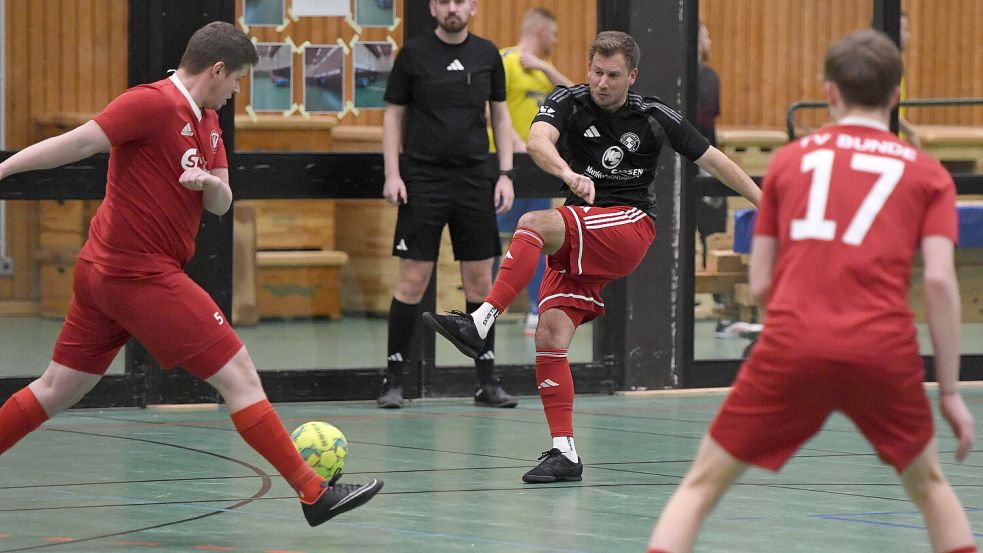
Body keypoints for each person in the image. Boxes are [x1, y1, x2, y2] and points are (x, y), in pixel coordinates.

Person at [0, 22, 382, 526]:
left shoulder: (206, 120)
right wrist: (3, 170)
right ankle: (314, 493)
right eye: (238, 81)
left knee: (55, 389)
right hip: (138, 275)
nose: (237, 92)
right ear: (217, 70)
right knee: (240, 375)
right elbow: (78, 143)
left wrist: (206, 183)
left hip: (107, 274)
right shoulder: (151, 102)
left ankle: (313, 493)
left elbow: (222, 202)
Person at [647, 29, 975, 553]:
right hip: (882, 352)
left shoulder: (790, 162)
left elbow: (760, 280)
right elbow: (937, 279)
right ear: (896, 96)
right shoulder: (928, 174)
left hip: (793, 344)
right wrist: (953, 394)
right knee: (932, 489)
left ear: (828, 93)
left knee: (700, 488)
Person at [423, 31, 761, 482]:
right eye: (596, 72)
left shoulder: (653, 114)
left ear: (632, 76)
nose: (602, 82)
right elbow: (538, 139)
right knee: (550, 333)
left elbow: (715, 160)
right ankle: (565, 452)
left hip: (629, 225)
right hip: (582, 228)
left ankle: (480, 320)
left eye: (613, 75)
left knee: (531, 226)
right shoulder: (569, 101)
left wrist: (766, 201)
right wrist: (567, 172)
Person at [376, 0, 517, 409]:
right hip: (422, 180)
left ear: (472, 7)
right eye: (444, 1)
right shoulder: (414, 55)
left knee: (480, 282)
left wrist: (505, 173)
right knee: (412, 281)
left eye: (460, 1)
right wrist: (392, 173)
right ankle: (394, 380)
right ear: (434, 8)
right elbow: (392, 116)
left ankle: (486, 381)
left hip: (475, 179)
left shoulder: (488, 54)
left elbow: (501, 116)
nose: (452, 8)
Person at [496, 7, 574, 336]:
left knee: (540, 240)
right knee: (492, 241)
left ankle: (535, 309)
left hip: (538, 170)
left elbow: (574, 97)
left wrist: (544, 65)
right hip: (506, 169)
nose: (556, 42)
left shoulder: (545, 71)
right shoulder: (504, 62)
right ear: (541, 31)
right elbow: (491, 111)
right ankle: (484, 309)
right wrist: (515, 145)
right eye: (554, 35)